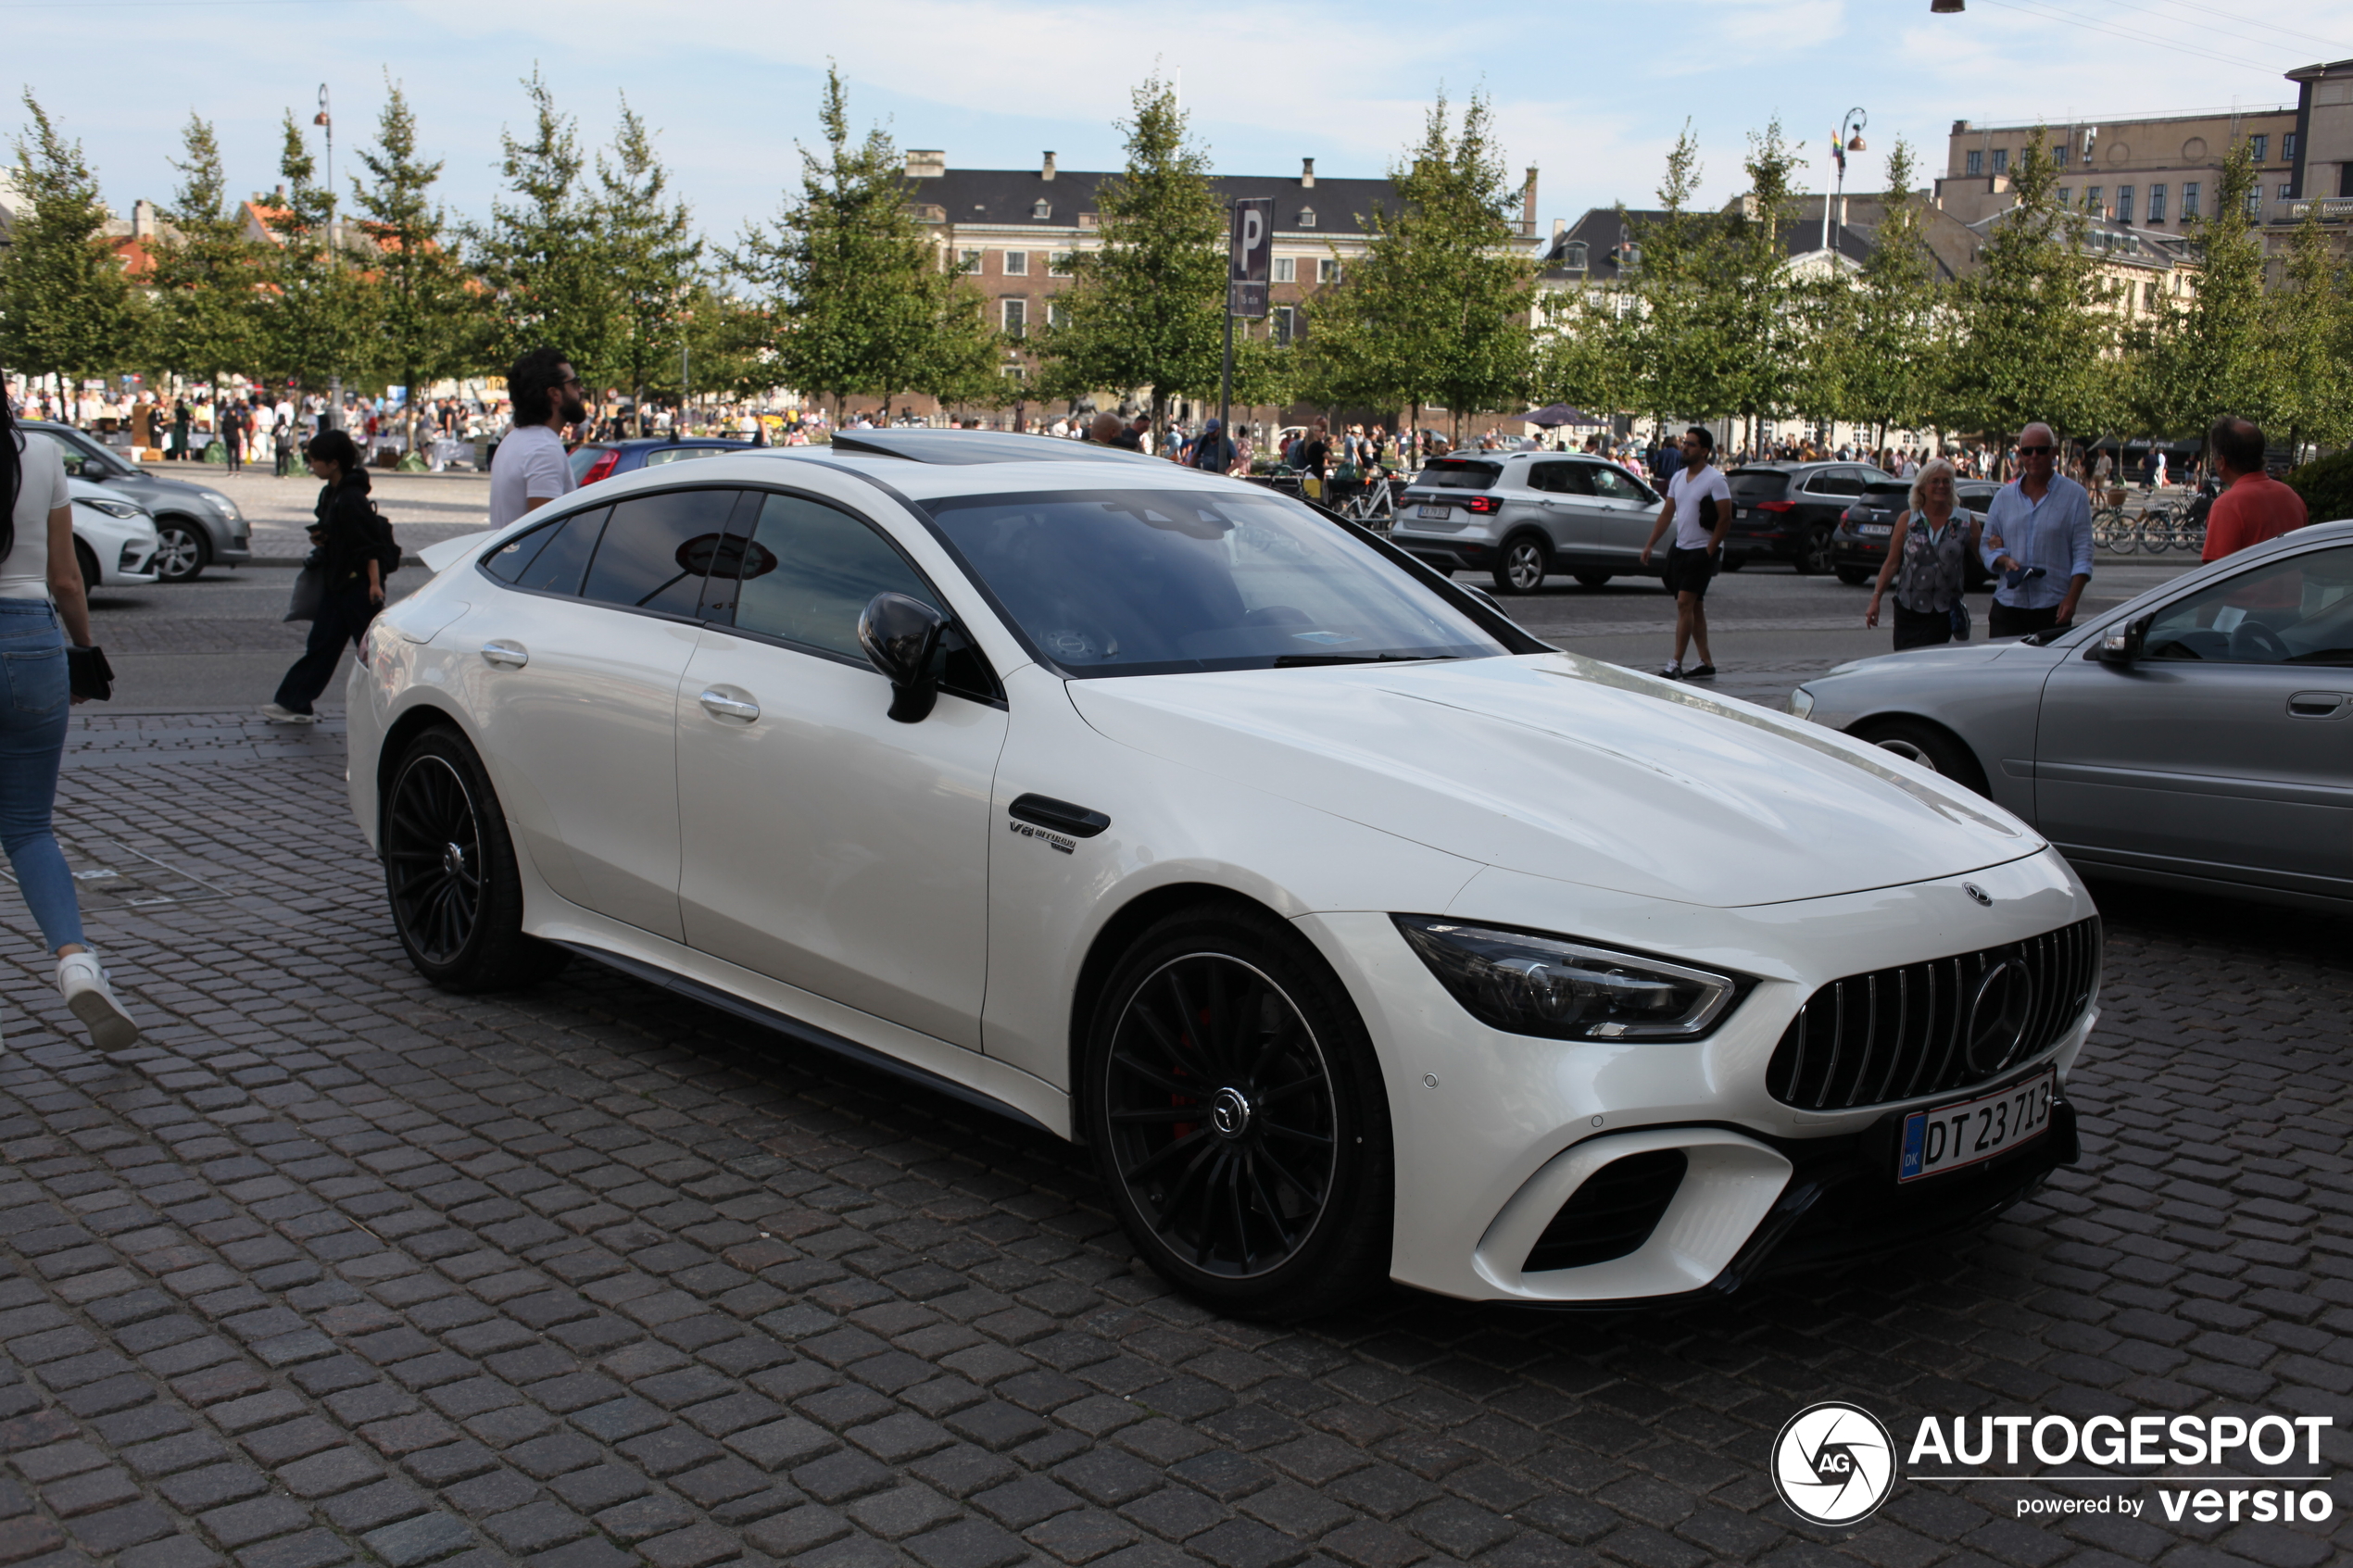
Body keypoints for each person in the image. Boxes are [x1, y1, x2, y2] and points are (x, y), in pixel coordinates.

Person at [0, 401, 143, 1052]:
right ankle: (76, 960)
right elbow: (66, 578)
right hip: (33, 642)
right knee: (29, 827)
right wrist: (80, 657)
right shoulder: (42, 453)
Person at [262, 431, 388, 724]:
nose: (312, 465)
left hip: (358, 587)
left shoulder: (351, 498)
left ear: (333, 463)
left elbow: (370, 546)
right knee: (323, 646)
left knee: (373, 653)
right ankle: (295, 703)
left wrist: (374, 584)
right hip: (338, 582)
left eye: (315, 460)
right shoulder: (333, 493)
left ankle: (394, 704)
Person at [1981, 421, 2094, 639]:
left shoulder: (2075, 496)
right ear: (2020, 454)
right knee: (2004, 671)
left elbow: (2083, 553)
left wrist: (2072, 599)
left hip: (2053, 607)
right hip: (2008, 604)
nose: (2034, 456)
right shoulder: (2004, 497)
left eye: (2041, 450)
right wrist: (2004, 560)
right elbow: (1989, 543)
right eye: (2027, 451)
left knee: (2047, 673)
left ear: (2053, 453)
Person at [1639, 427, 1732, 680]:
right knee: (1695, 607)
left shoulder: (1715, 480)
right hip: (1682, 548)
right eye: (1684, 443)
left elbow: (1726, 518)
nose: (1685, 447)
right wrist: (1650, 544)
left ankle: (1675, 662)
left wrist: (1710, 549)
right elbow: (1667, 513)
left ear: (1704, 451)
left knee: (1684, 604)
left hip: (1702, 551)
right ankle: (1706, 662)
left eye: (1691, 444)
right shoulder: (1679, 477)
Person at [1866, 458, 1981, 651]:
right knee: (1904, 663)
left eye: (1946, 481)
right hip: (1907, 609)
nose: (1941, 486)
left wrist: (2001, 554)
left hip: (1942, 611)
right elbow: (1892, 563)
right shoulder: (1907, 519)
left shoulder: (1965, 520)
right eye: (1934, 481)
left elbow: (1985, 557)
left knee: (1929, 666)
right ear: (1922, 487)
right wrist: (1875, 600)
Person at [489, 348, 586, 531]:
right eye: (574, 383)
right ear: (554, 394)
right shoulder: (543, 449)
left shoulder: (515, 439)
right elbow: (544, 534)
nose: (581, 390)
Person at [2200, 417, 2307, 562]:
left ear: (2222, 462)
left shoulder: (2227, 505)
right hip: (2292, 585)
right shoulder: (2292, 496)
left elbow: (2214, 571)